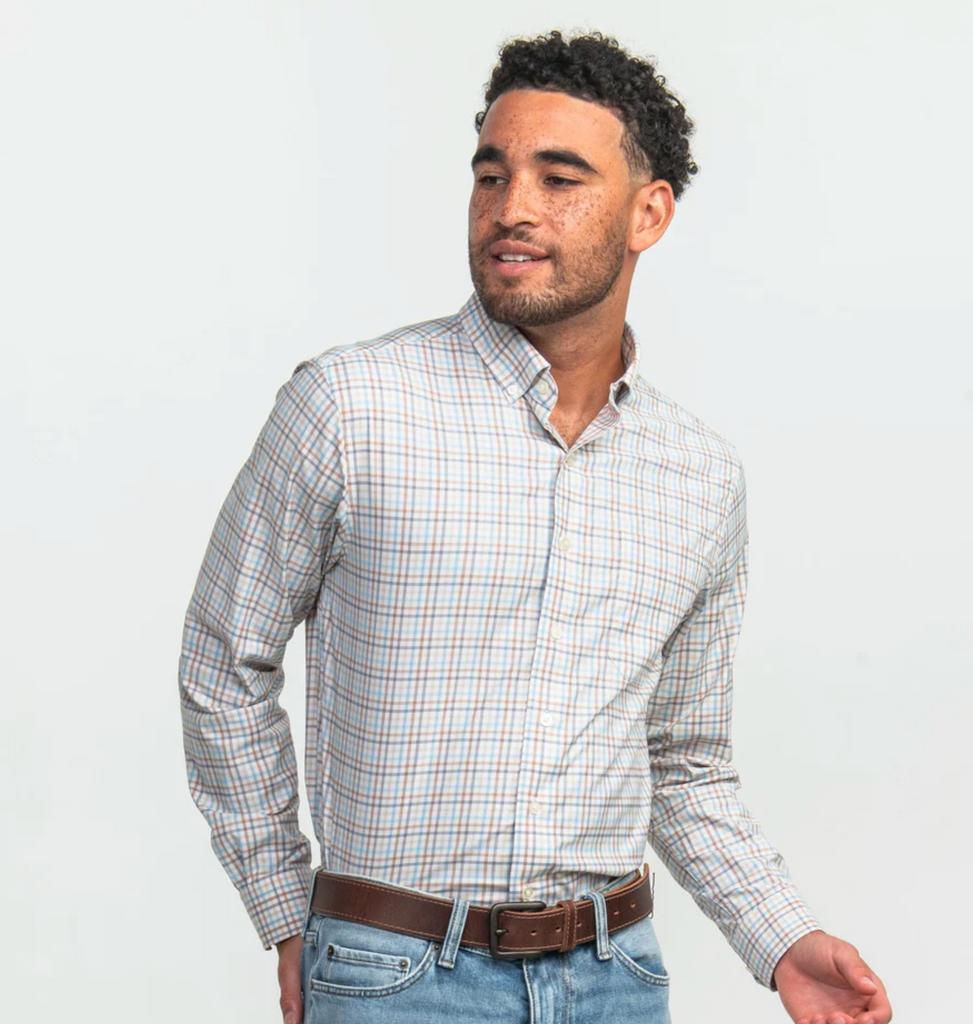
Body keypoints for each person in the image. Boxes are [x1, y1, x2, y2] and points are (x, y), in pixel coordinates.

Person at [178, 29, 892, 1024]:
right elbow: (223, 662)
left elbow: (683, 762)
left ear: (648, 213)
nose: (511, 207)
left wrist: (782, 939)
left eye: (559, 179)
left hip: (615, 980)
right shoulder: (349, 405)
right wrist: (288, 911)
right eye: (490, 175)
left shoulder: (698, 474)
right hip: (393, 978)